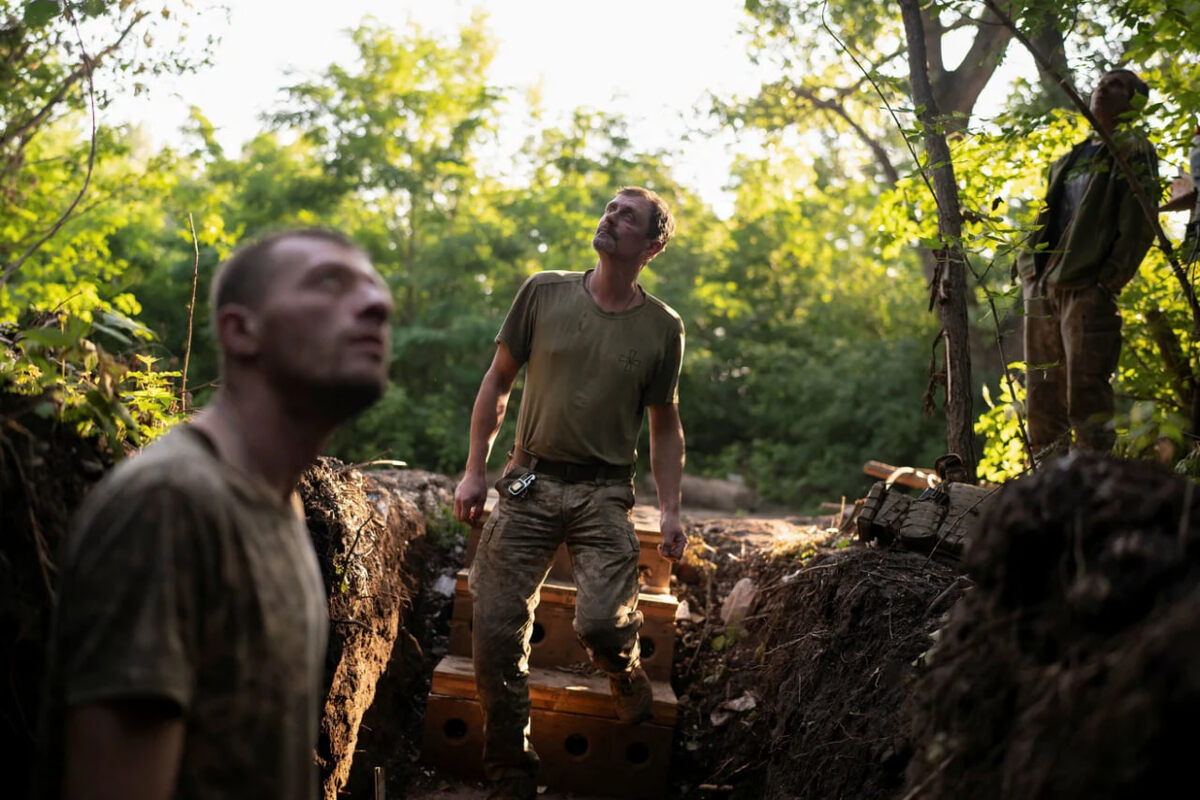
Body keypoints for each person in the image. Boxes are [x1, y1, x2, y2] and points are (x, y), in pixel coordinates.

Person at [40, 229, 393, 800]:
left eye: (374, 286)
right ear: (240, 330)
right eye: (330, 283)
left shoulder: (279, 504)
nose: (377, 303)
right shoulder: (168, 505)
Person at [453, 186, 687, 799]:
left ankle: (624, 670)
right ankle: (511, 772)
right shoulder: (543, 292)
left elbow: (665, 425)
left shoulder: (663, 328)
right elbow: (498, 380)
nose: (611, 218)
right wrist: (475, 469)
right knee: (495, 633)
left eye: (628, 216)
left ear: (652, 246)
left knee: (603, 624)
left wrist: (671, 511)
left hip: (603, 494)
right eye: (610, 208)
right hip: (528, 482)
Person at [1015, 68, 1160, 458]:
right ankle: (1047, 483)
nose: (1103, 88)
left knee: (1086, 394)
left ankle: (1094, 482)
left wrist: (1108, 281)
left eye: (1117, 85)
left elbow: (1140, 223)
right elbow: (1047, 216)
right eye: (1102, 82)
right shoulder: (1070, 158)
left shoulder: (1135, 152)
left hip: (1086, 288)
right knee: (1041, 395)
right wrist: (1028, 271)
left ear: (1135, 103)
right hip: (1043, 284)